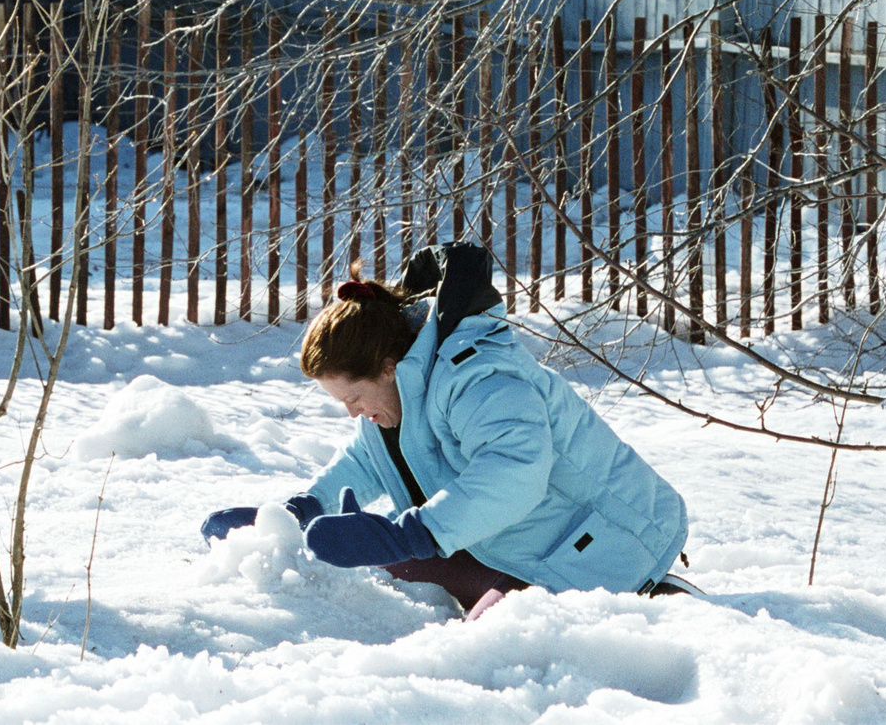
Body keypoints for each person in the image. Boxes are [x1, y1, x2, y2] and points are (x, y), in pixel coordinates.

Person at [203, 243, 692, 618]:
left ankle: (657, 594)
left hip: (607, 545)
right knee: (377, 566)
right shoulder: (404, 387)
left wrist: (413, 533)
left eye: (353, 398)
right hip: (521, 546)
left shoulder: (480, 376)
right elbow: (365, 460)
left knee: (495, 646)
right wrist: (302, 512)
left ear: (388, 366)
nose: (353, 413)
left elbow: (513, 474)